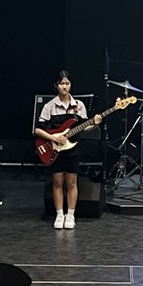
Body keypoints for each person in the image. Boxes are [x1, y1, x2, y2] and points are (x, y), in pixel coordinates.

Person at [35, 72, 101, 229]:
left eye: (67, 83)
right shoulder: (49, 106)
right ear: (56, 85)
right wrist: (55, 138)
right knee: (57, 181)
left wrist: (96, 123)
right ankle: (59, 214)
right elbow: (38, 130)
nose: (64, 87)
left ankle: (70, 214)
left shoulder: (78, 106)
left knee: (72, 181)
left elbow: (84, 128)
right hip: (55, 149)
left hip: (73, 148)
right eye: (61, 83)